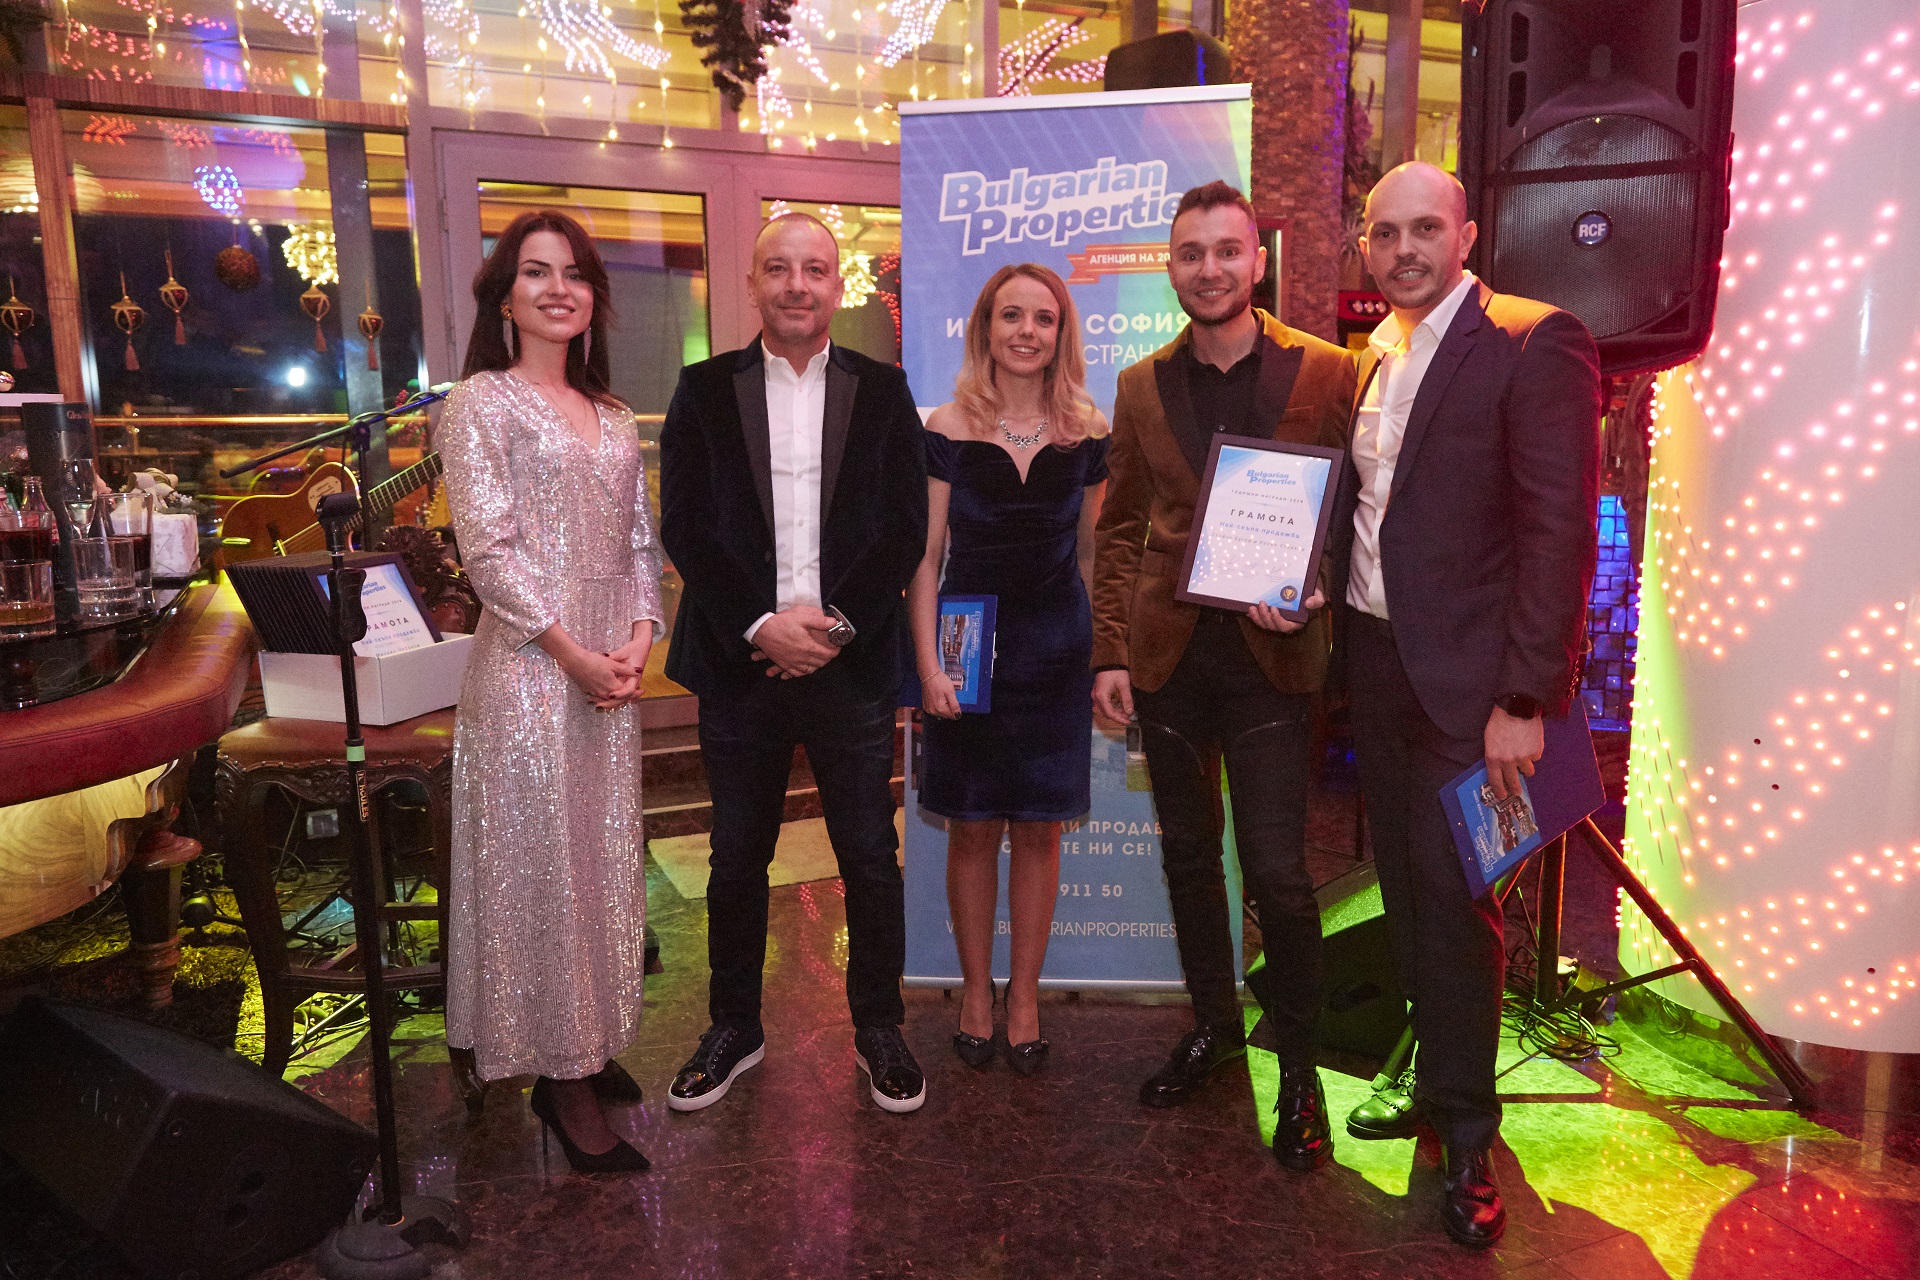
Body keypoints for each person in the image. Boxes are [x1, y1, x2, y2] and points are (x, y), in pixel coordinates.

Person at [1329, 161, 1600, 1247]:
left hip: (1475, 690)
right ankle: (1431, 1077)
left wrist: (1524, 698)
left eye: (1425, 229)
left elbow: (1559, 532)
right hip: (1378, 665)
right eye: (1385, 232)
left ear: (1467, 234)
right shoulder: (1373, 354)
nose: (1405, 249)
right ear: (1364, 244)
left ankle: (1470, 1130)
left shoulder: (1535, 340)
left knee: (1456, 904)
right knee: (1404, 892)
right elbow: (1369, 512)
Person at [1089, 181, 1356, 1170]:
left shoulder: (1327, 369)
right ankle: (1213, 1027)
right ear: (1172, 267)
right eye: (1191, 253)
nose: (1210, 269)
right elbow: (1121, 527)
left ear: (1258, 261)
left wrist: (1318, 584)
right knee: (1191, 860)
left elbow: (1353, 505)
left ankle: (1299, 1066)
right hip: (1168, 662)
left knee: (1279, 874)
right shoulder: (1140, 385)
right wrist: (1109, 651)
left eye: (1227, 251)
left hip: (1273, 661)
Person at [659, 213, 930, 1114]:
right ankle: (733, 1027)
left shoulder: (884, 390)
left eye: (814, 269)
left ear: (837, 286)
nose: (797, 285)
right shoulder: (703, 390)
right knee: (736, 857)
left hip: (851, 664)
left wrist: (835, 626)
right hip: (742, 666)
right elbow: (686, 525)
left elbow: (903, 525)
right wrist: (761, 626)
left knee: (870, 856)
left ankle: (879, 1027)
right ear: (753, 283)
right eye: (778, 268)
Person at [440, 209, 663, 1174]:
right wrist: (575, 654)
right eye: (536, 272)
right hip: (532, 675)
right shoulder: (479, 403)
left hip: (608, 674)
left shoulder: (613, 415)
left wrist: (639, 641)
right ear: (504, 296)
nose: (558, 289)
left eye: (574, 273)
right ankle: (561, 1083)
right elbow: (487, 552)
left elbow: (640, 545)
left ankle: (586, 1040)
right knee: (542, 873)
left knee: (600, 870)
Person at [910, 264, 1108, 1077]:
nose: (1027, 331)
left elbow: (1093, 556)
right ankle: (974, 993)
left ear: (1061, 335)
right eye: (1012, 316)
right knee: (970, 828)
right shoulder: (946, 426)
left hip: (1056, 655)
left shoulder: (1088, 430)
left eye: (1043, 319)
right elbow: (925, 559)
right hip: (967, 657)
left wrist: (1100, 659)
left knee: (1038, 832)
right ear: (985, 328)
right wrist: (929, 666)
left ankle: (1023, 996)